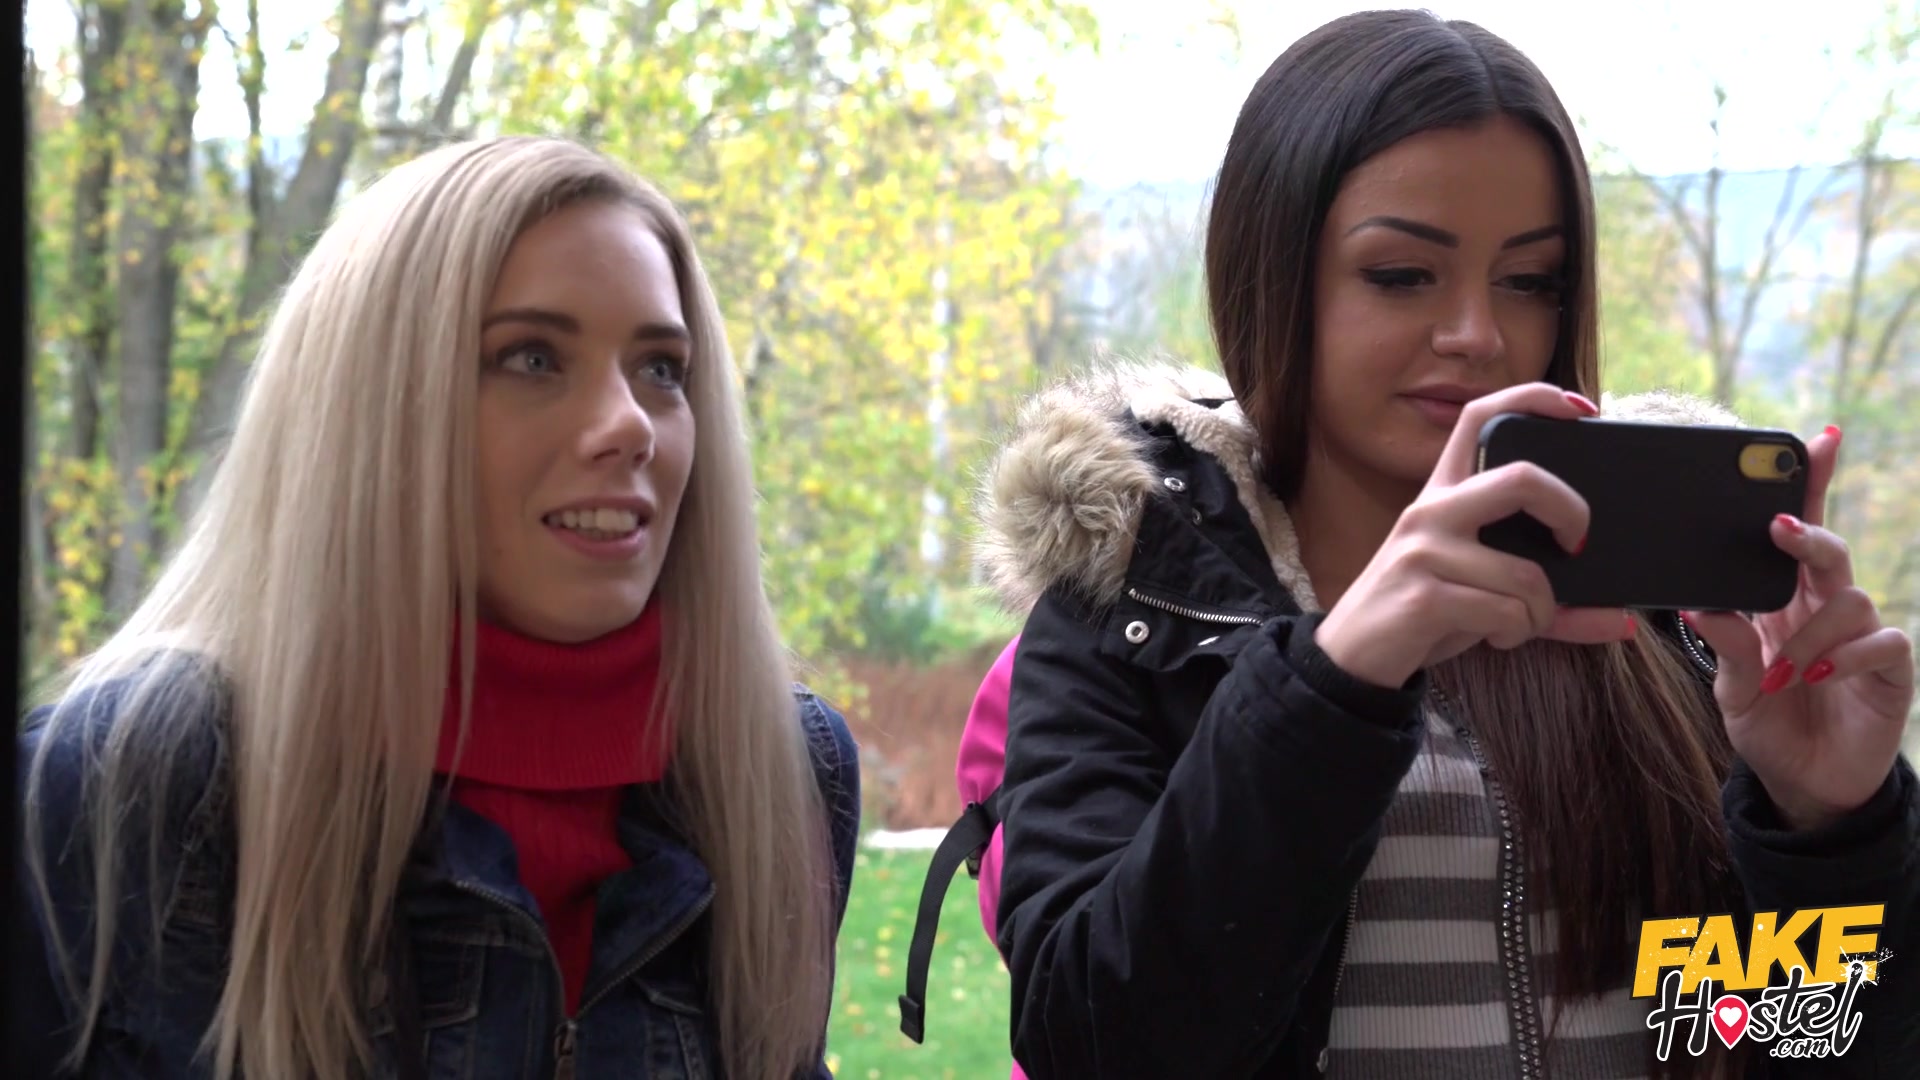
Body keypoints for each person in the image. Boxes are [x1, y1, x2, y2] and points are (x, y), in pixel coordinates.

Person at [968, 10, 1918, 1079]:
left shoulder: (1671, 624)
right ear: (1267, 274)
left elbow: (1799, 1046)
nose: (1479, 333)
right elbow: (1094, 1044)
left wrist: (1827, 831)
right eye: (1401, 274)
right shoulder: (1133, 618)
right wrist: (1335, 681)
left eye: (1531, 281)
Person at [14, 136, 860, 1079]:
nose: (630, 423)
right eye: (532, 357)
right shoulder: (123, 780)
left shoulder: (779, 770)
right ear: (369, 411)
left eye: (661, 368)